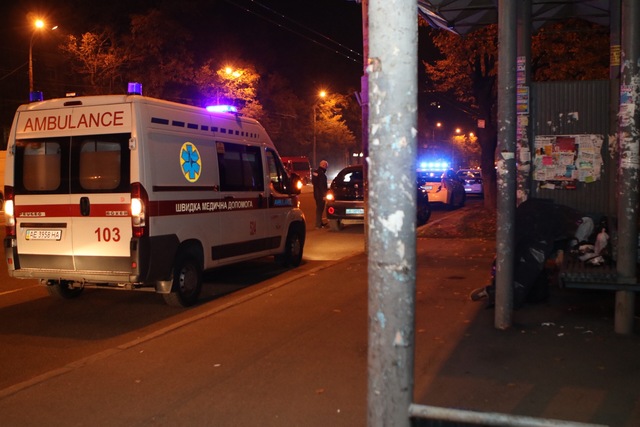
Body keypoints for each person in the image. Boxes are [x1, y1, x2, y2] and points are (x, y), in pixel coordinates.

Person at [312, 160, 329, 228]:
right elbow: (322, 186)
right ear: (324, 165)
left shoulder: (315, 172)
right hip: (321, 195)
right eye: (326, 166)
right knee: (320, 209)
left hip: (316, 194)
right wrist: (324, 195)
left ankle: (320, 223)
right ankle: (318, 224)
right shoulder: (322, 174)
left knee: (319, 208)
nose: (326, 168)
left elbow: (314, 182)